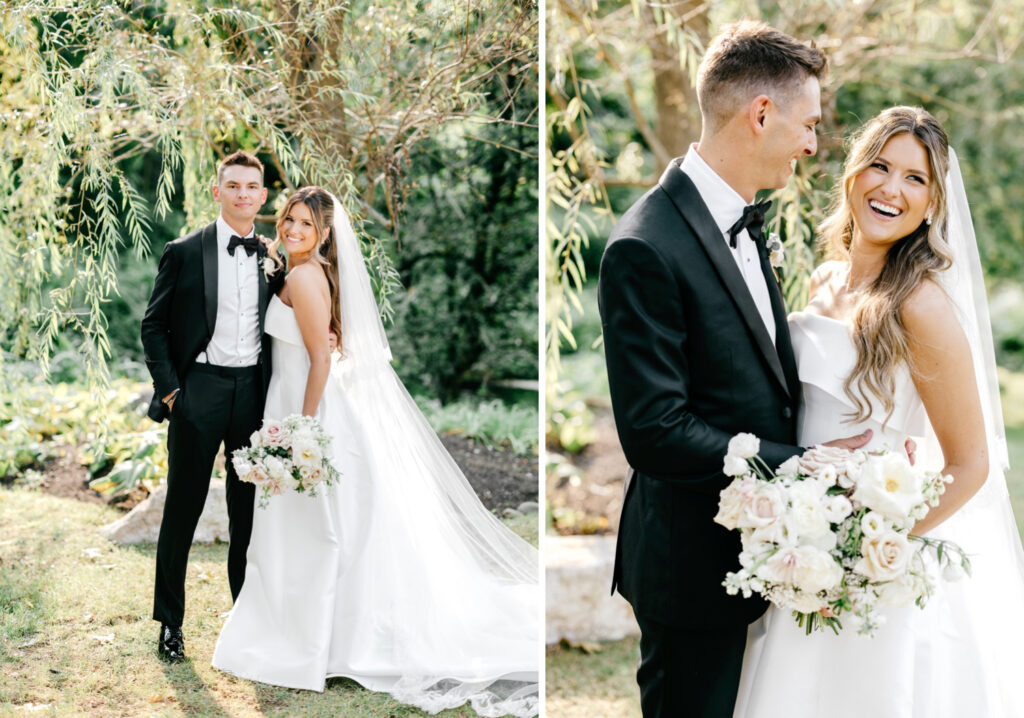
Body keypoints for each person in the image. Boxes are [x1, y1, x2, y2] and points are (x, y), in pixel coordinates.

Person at [598, 21, 875, 718]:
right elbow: (656, 432)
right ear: (760, 115)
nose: (813, 145)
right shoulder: (644, 245)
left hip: (769, 553)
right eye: (807, 125)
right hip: (692, 567)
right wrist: (806, 465)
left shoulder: (748, 220)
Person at [733, 106, 1024, 718]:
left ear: (933, 202)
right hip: (803, 545)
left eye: (916, 179)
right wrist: (800, 532)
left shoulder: (921, 306)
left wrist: (864, 555)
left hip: (873, 574)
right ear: (853, 175)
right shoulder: (824, 281)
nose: (892, 189)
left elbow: (971, 463)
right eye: (881, 166)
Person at [211, 187, 539, 717]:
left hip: (307, 413)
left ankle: (326, 639)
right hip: (296, 408)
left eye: (306, 224)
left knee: (322, 528)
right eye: (290, 219)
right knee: (314, 527)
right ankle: (308, 629)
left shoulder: (303, 276)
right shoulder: (298, 269)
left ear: (324, 234)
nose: (293, 229)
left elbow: (320, 358)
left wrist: (301, 431)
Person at [141, 151, 283, 664]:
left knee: (248, 514)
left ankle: (244, 622)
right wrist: (173, 390)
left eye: (253, 187)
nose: (244, 194)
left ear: (263, 196)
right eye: (234, 185)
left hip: (253, 396)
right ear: (218, 190)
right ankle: (170, 626)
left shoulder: (274, 256)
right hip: (198, 390)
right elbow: (153, 325)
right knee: (183, 508)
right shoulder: (183, 250)